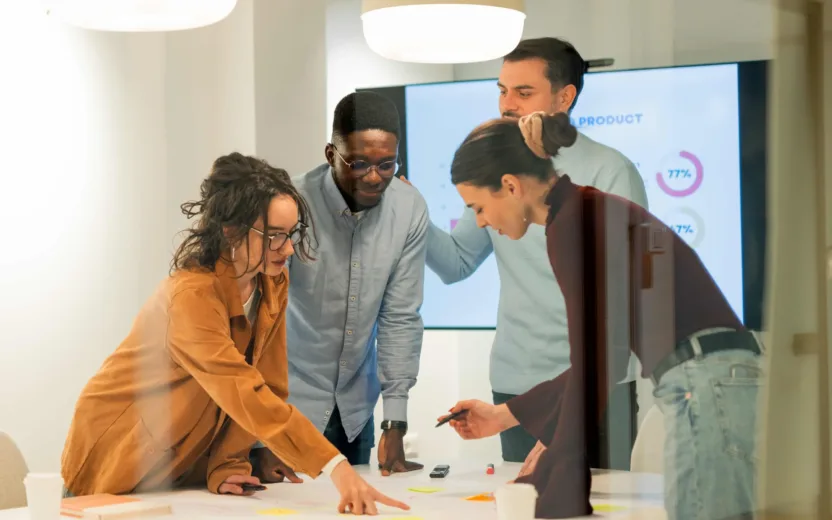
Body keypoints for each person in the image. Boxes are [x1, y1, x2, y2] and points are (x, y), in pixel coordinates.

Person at [438, 112, 763, 520]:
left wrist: (557, 467)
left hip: (704, 378)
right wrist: (514, 420)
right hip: (721, 377)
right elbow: (602, 355)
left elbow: (594, 361)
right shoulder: (583, 209)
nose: (482, 221)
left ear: (510, 186)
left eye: (478, 208)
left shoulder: (571, 224)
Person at [61, 153, 409, 516]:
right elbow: (242, 389)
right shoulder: (190, 297)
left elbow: (269, 383)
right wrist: (334, 465)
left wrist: (228, 463)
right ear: (231, 230)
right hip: (117, 455)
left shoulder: (271, 280)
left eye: (292, 235)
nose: (288, 249)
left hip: (176, 465)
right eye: (275, 236)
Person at [417, 37, 648, 472]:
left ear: (565, 97)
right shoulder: (496, 171)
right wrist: (405, 207)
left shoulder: (609, 172)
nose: (508, 105)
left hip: (599, 382)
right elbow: (455, 262)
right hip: (516, 380)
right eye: (502, 91)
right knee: (525, 507)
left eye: (523, 93)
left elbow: (624, 301)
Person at [283, 92, 428, 475]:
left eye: (387, 164)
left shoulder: (409, 207)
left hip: (354, 409)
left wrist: (394, 422)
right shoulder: (292, 203)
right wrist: (259, 433)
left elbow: (400, 316)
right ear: (331, 154)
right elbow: (259, 315)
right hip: (287, 404)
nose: (374, 176)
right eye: (359, 163)